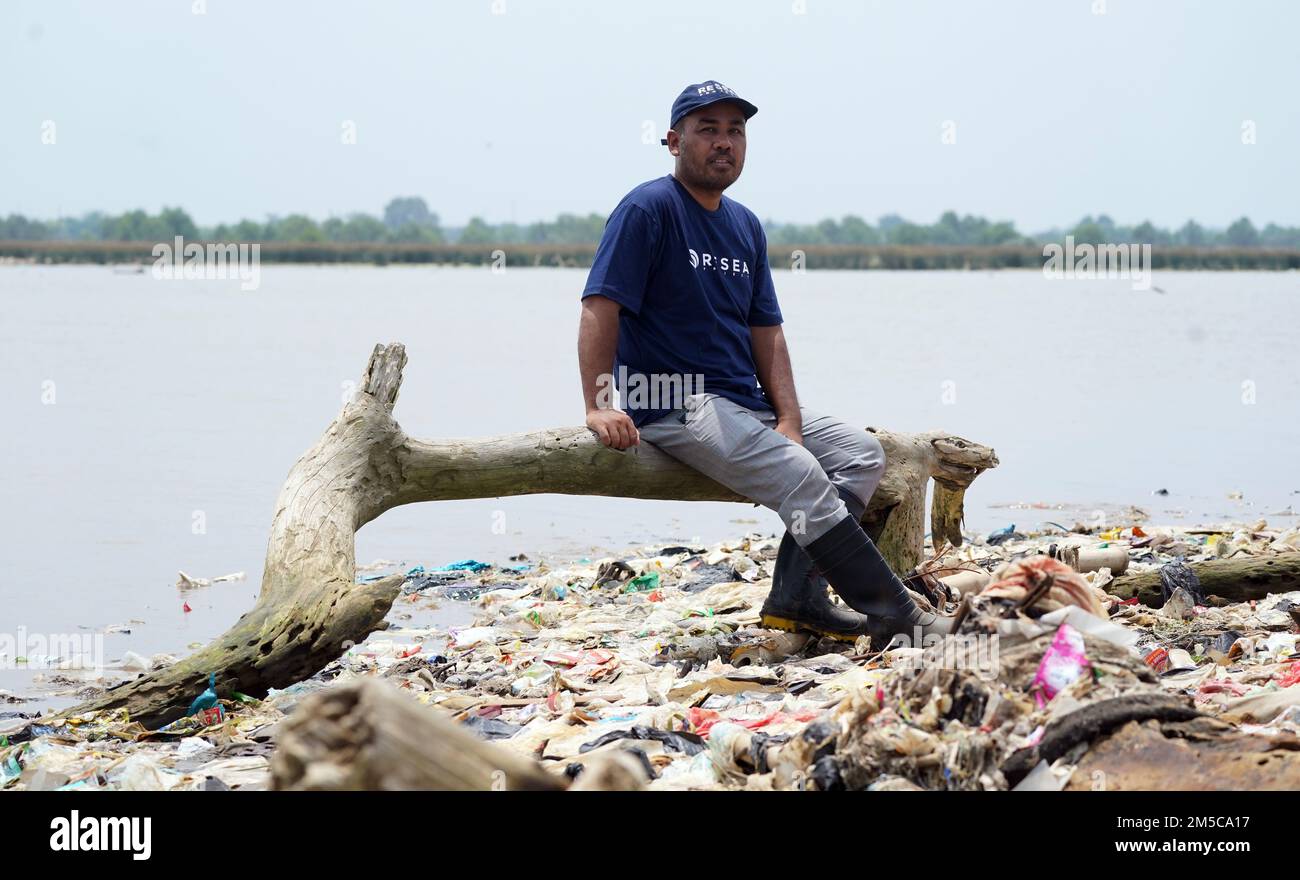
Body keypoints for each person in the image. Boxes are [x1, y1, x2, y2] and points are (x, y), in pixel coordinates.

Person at [576, 80, 954, 648]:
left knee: (860, 454)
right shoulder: (647, 209)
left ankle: (797, 597)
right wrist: (599, 405)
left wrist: (789, 418)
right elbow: (599, 306)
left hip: (743, 403)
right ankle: (896, 615)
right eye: (708, 130)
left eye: (736, 130)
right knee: (800, 474)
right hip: (675, 403)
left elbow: (767, 331)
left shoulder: (745, 225)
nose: (724, 142)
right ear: (674, 142)